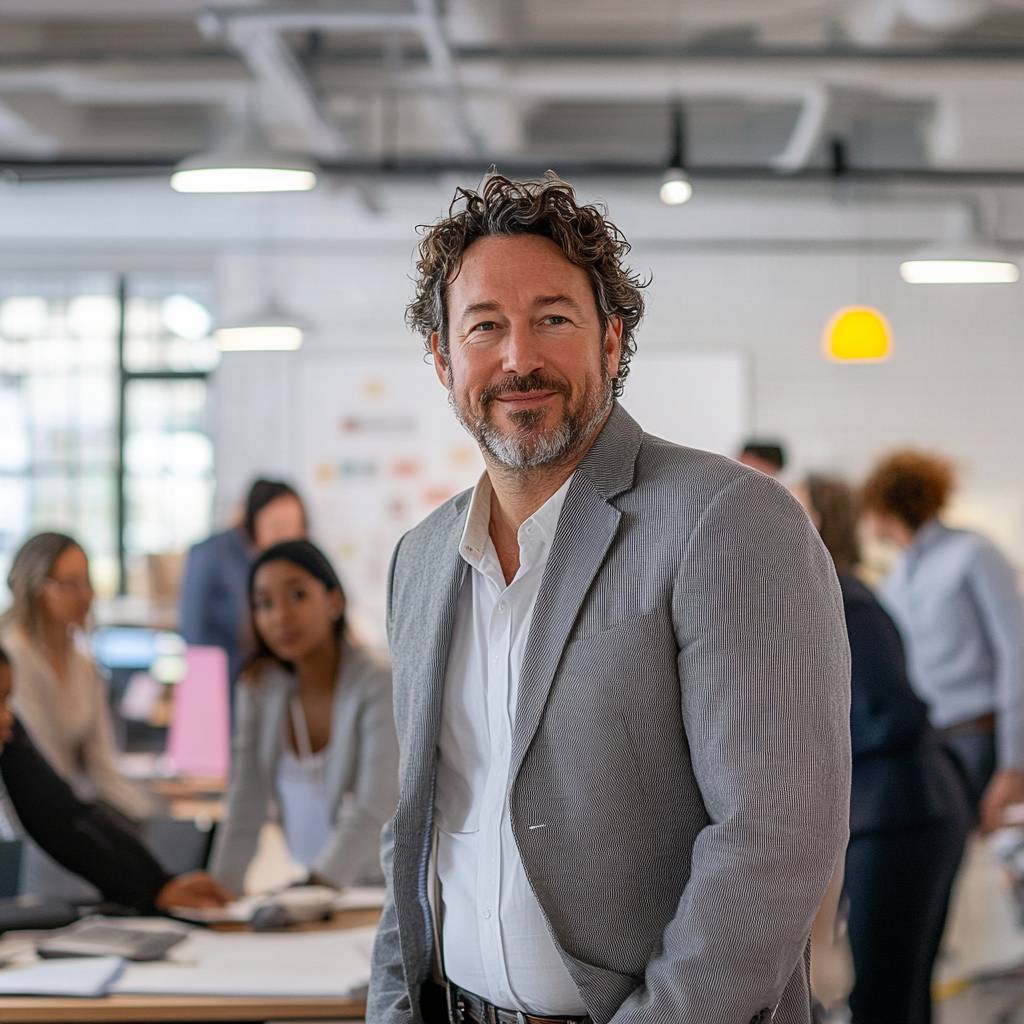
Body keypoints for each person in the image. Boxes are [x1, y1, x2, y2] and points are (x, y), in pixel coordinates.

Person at [367, 173, 852, 1024]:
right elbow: (417, 833)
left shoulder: (727, 518)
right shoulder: (422, 559)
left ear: (613, 340)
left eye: (553, 319)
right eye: (486, 327)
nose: (520, 357)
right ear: (444, 359)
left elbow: (773, 838)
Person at [799, 474, 970, 1024]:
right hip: (892, 812)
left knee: (885, 995)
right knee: (891, 993)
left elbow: (891, 711)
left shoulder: (846, 599)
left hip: (904, 814)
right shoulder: (828, 596)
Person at [210, 540, 398, 895]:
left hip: (380, 891)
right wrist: (221, 888)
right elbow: (245, 800)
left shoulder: (378, 681)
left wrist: (314, 888)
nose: (280, 615)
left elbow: (374, 805)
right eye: (264, 603)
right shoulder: (259, 689)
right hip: (311, 887)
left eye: (297, 595)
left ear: (334, 601)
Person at [0, 644, 231, 913]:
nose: (8, 718)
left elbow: (60, 814)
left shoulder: (10, 730)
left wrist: (156, 885)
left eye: (7, 700)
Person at [862, 449, 1024, 833]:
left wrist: (1014, 763)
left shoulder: (974, 554)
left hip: (981, 736)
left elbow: (1016, 651)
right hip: (929, 743)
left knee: (988, 870)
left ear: (885, 505)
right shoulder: (897, 579)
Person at [1, 531, 151, 823]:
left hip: (72, 811)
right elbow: (45, 771)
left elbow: (103, 764)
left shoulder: (82, 663)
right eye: (70, 584)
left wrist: (146, 816)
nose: (85, 594)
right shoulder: (15, 656)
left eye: (87, 582)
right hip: (33, 821)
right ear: (36, 588)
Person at [179, 478, 307, 685]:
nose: (287, 537)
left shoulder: (293, 564)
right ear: (252, 521)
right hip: (223, 682)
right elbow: (195, 633)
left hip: (273, 683)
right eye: (278, 527)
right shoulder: (212, 555)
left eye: (296, 528)